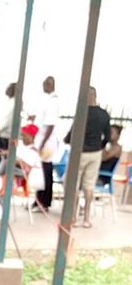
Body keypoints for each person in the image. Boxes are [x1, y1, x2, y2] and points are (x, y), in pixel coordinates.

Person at [64, 88, 111, 227]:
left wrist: (67, 140)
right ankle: (86, 219)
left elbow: (73, 132)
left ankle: (73, 218)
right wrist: (100, 146)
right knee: (89, 186)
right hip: (95, 153)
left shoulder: (81, 112)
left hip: (79, 152)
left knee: (74, 185)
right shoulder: (103, 114)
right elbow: (107, 136)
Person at [35, 74, 61, 211]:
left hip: (46, 143)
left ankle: (44, 202)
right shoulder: (48, 100)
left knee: (45, 172)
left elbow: (50, 125)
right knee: (40, 171)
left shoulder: (52, 102)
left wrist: (42, 143)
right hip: (42, 140)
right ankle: (38, 200)